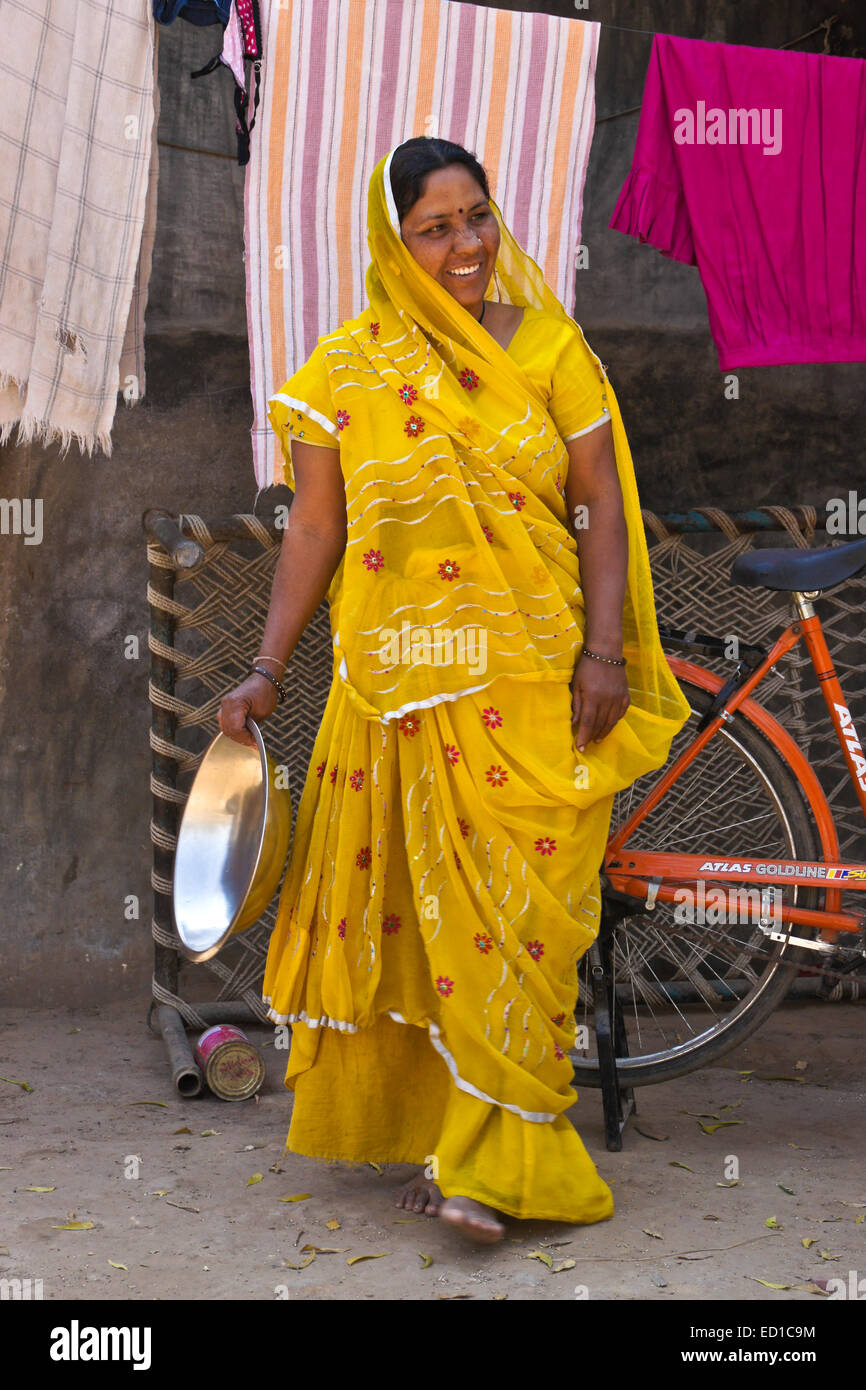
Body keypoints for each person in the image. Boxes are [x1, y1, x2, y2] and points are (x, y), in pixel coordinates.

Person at [219, 137, 690, 1243]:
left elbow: (596, 507)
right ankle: (464, 1157)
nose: (466, 245)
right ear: (397, 240)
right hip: (399, 690)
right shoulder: (351, 367)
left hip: (534, 681)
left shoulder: (548, 344)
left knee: (525, 928)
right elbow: (318, 529)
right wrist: (264, 665)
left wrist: (605, 650)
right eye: (436, 228)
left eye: (475, 217)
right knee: (429, 928)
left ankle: (503, 1152)